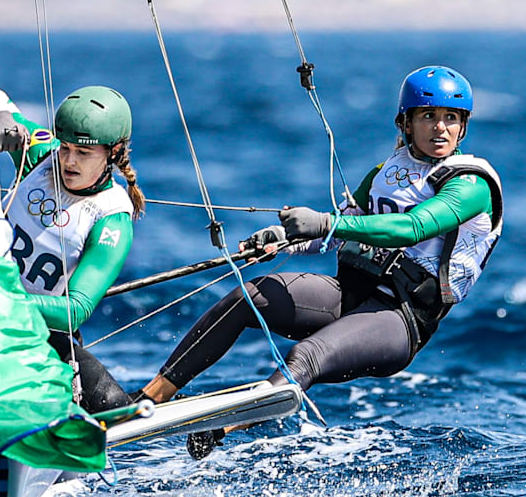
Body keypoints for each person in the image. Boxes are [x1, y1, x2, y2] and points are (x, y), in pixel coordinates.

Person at [130, 65, 503, 457]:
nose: (440, 128)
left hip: (399, 319)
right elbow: (344, 225)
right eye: (428, 116)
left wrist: (324, 222)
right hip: (351, 294)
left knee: (306, 355)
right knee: (251, 296)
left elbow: (412, 227)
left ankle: (225, 424)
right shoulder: (387, 172)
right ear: (406, 123)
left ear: (463, 127)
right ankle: (151, 397)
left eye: (451, 118)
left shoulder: (471, 184)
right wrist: (285, 241)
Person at [0, 86, 147, 414]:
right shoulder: (41, 155)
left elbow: (75, 309)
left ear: (113, 152)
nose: (69, 161)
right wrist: (1, 118)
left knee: (112, 406)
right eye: (66, 148)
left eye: (84, 153)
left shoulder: (111, 221)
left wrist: (1, 302)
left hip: (38, 331)